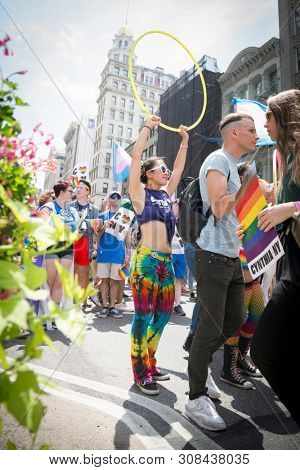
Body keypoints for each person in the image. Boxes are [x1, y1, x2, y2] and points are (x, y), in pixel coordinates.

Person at [185, 113, 259, 431]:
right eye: (252, 130)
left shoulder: (231, 164)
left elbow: (230, 214)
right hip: (212, 257)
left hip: (229, 257)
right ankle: (195, 398)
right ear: (234, 132)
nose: (257, 135)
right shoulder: (219, 159)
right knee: (209, 331)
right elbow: (217, 205)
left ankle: (203, 371)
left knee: (231, 322)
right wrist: (249, 191)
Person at [248, 90, 300, 427]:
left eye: (268, 116)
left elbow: (293, 209)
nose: (263, 123)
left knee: (264, 350)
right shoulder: (284, 158)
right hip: (286, 261)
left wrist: (289, 208)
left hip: (298, 269)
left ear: (284, 117)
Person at [129, 115, 188, 395]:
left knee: (163, 316)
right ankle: (141, 373)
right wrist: (147, 128)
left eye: (165, 169)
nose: (166, 172)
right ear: (149, 173)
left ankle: (150, 363)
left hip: (167, 264)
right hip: (145, 262)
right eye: (160, 169)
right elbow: (138, 155)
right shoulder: (139, 194)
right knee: (142, 318)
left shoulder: (166, 194)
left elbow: (178, 169)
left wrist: (185, 142)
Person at [220, 163, 263, 391]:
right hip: (238, 264)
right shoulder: (231, 198)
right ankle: (229, 368)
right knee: (237, 318)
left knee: (256, 312)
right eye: (251, 177)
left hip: (254, 266)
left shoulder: (253, 200)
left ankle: (241, 358)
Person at [39, 181, 80, 315]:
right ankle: (45, 314)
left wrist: (77, 229)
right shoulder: (48, 207)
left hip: (67, 247)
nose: (72, 194)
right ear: (61, 192)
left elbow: (78, 229)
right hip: (52, 246)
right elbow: (42, 225)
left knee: (59, 282)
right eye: (70, 191)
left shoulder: (72, 209)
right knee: (49, 282)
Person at [95, 191, 129, 319]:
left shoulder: (125, 217)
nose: (115, 198)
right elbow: (97, 235)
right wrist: (104, 226)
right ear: (109, 199)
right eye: (113, 196)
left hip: (118, 253)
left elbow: (127, 236)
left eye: (118, 197)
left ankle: (112, 307)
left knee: (115, 281)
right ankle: (104, 306)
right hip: (104, 252)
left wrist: (128, 254)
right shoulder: (102, 216)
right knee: (104, 280)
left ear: (120, 200)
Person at [69, 180, 99, 308]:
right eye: (78, 187)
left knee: (84, 273)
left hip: (86, 242)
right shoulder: (69, 205)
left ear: (88, 191)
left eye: (82, 188)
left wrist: (96, 247)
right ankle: (71, 299)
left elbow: (96, 230)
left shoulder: (94, 210)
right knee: (71, 271)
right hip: (71, 241)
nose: (78, 190)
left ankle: (84, 299)